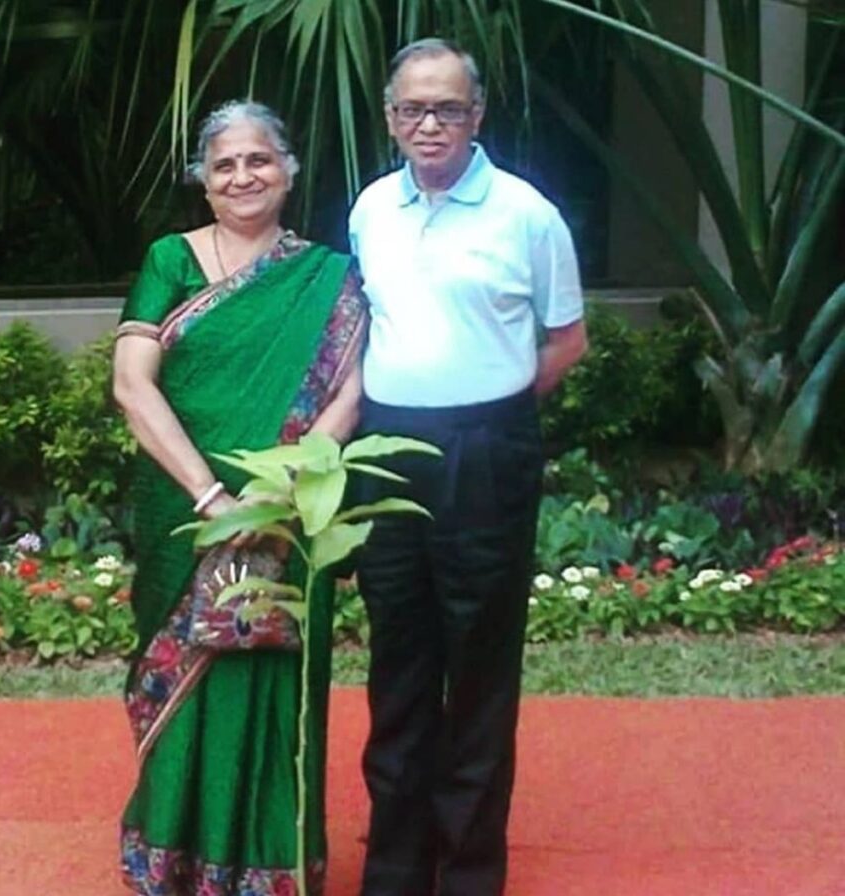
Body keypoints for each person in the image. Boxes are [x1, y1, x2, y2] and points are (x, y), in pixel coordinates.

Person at [348, 39, 588, 896]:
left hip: (486, 453)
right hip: (385, 453)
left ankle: (470, 870)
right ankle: (397, 863)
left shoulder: (528, 214)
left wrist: (489, 405)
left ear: (477, 115)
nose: (430, 125)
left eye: (447, 108)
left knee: (480, 664)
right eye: (413, 109)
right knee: (399, 657)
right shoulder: (371, 208)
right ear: (390, 118)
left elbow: (567, 342)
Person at [112, 100, 367, 896]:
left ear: (288, 170)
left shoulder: (327, 276)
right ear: (202, 181)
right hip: (184, 507)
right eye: (223, 165)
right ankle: (173, 855)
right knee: (190, 671)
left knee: (273, 678)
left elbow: (352, 392)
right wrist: (212, 494)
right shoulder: (170, 261)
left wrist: (282, 488)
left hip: (290, 507)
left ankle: (268, 862)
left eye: (258, 160)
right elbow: (130, 382)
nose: (242, 176)